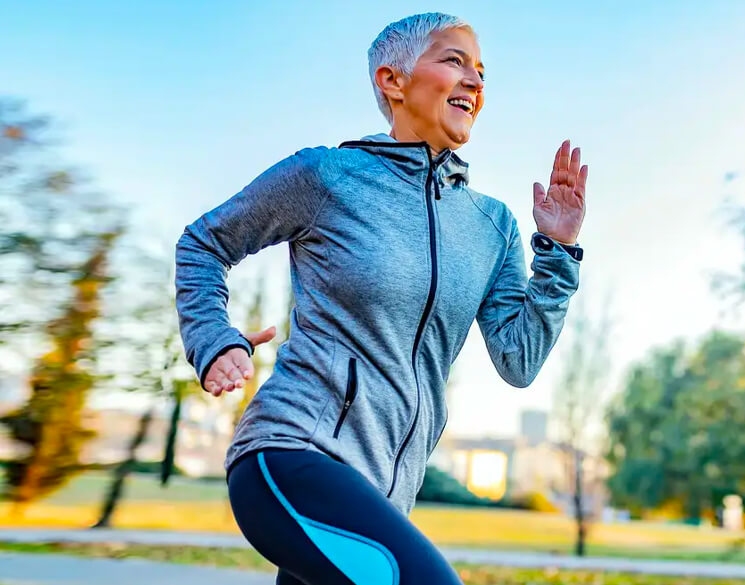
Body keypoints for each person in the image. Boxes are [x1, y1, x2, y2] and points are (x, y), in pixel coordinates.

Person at [174, 12, 587, 584]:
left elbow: (519, 359)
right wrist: (213, 340)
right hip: (294, 452)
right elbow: (203, 243)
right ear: (393, 81)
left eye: (482, 71)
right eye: (453, 60)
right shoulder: (328, 176)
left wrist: (559, 253)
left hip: (385, 495)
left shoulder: (492, 225)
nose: (475, 81)